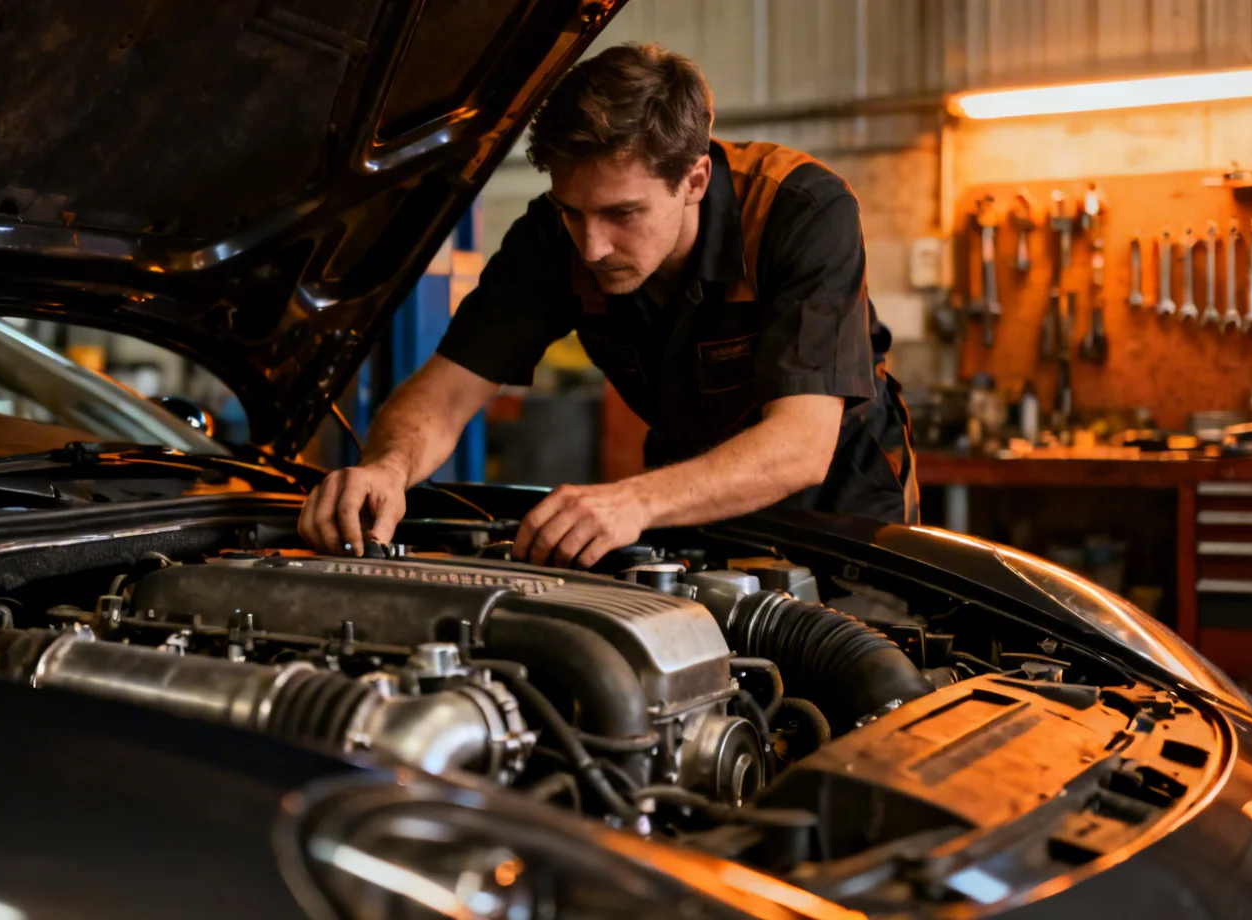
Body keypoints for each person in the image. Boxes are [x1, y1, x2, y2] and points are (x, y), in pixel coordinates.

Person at [300, 42, 917, 568]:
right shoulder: (549, 240)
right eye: (574, 211)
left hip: (843, 512)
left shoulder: (800, 210)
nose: (592, 246)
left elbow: (801, 444)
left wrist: (633, 501)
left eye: (622, 213)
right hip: (684, 495)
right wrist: (386, 467)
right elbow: (445, 391)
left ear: (695, 180)